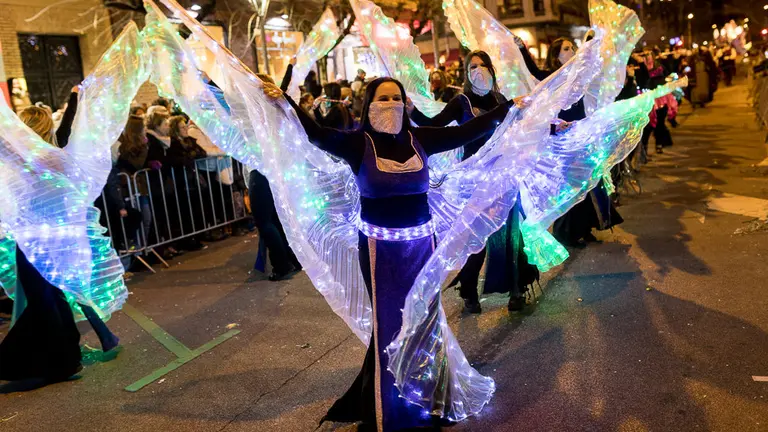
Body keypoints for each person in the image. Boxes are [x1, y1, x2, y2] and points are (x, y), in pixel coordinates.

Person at [264, 75, 519, 430]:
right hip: (379, 252)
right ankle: (393, 413)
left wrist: (514, 106)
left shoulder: (420, 139)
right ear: (368, 105)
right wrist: (283, 101)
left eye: (396, 98)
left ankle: (430, 402)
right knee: (390, 326)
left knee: (427, 324)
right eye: (382, 98)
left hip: (422, 248)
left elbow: (469, 131)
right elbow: (316, 134)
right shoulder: (357, 144)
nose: (391, 104)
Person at [409, 50, 539, 313]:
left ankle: (517, 289)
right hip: (474, 180)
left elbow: (522, 129)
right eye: (472, 67)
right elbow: (436, 124)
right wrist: (412, 112)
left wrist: (554, 126)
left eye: (482, 65)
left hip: (503, 175)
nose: (478, 71)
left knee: (511, 233)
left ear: (491, 68)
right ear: (466, 74)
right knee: (478, 236)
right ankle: (468, 287)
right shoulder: (462, 101)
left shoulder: (501, 100)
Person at [522, 37, 624, 247]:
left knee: (589, 182)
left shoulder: (578, 73)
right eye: (566, 49)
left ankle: (586, 228)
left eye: (572, 48)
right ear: (556, 55)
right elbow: (534, 70)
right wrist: (521, 48)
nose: (571, 51)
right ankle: (567, 233)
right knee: (571, 186)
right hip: (563, 138)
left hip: (582, 133)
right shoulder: (553, 77)